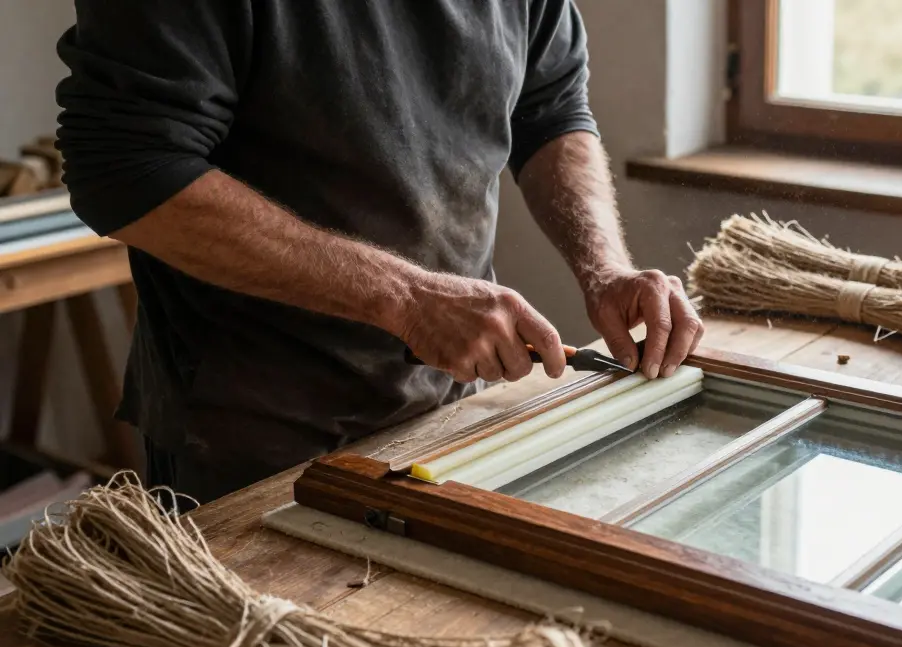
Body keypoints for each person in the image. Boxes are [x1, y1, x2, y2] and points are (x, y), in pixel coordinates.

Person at [54, 0, 704, 507]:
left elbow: (551, 108)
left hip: (453, 403)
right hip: (249, 426)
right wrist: (409, 298)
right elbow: (126, 169)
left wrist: (604, 267)